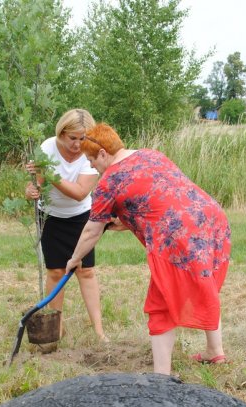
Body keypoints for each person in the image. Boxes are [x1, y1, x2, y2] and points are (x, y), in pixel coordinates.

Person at [65, 123, 231, 375]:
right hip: (209, 218)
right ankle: (215, 351)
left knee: (161, 301)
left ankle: (161, 376)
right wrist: (126, 221)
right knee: (203, 282)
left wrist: (75, 259)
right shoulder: (150, 154)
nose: (90, 166)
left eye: (90, 159)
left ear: (102, 153)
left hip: (177, 234)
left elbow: (91, 230)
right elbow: (158, 198)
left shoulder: (109, 181)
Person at [25, 109, 107, 342]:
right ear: (61, 133)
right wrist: (31, 190)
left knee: (86, 271)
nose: (78, 144)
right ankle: (56, 328)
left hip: (80, 217)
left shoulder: (91, 152)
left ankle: (99, 331)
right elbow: (38, 185)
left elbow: (81, 193)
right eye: (73, 138)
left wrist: (49, 174)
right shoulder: (47, 148)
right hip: (50, 216)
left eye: (83, 138)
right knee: (56, 271)